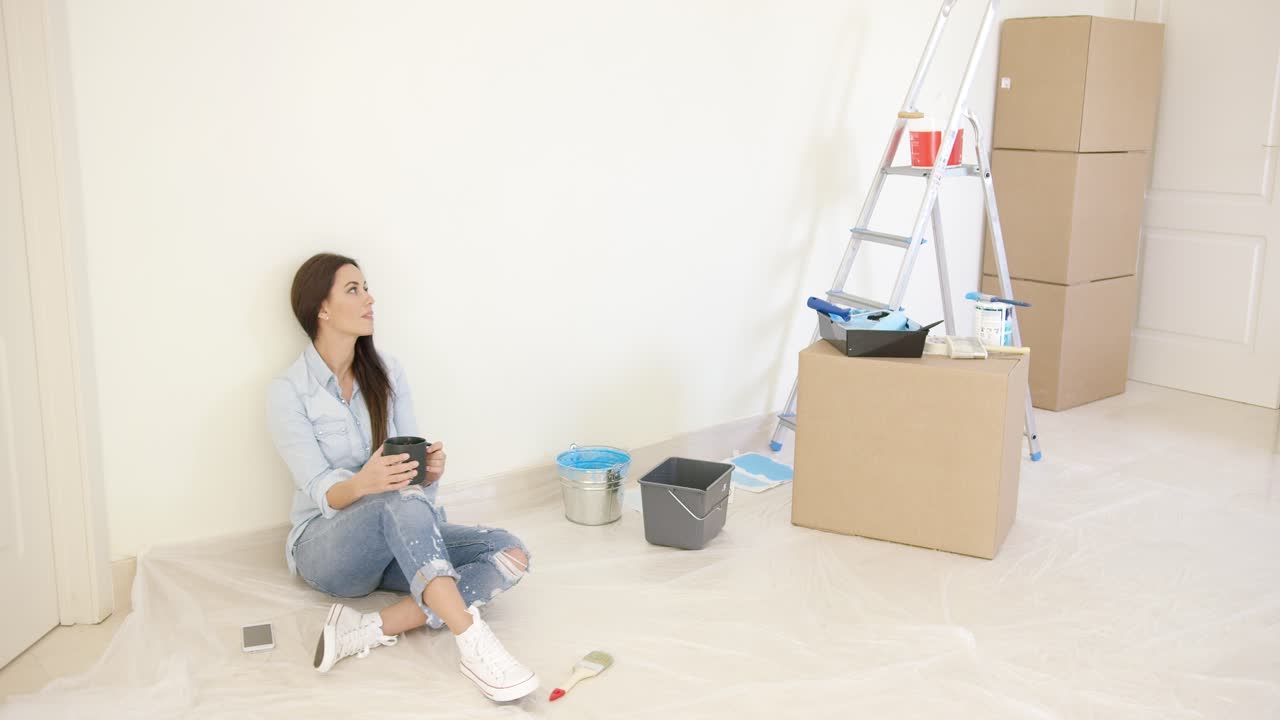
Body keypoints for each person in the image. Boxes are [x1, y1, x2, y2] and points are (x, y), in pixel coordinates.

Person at [267, 252, 539, 702]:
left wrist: (429, 472)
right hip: (328, 548)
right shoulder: (289, 392)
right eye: (354, 289)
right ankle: (473, 643)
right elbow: (322, 492)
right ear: (322, 308)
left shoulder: (387, 372)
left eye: (367, 287)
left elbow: (413, 485)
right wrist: (365, 483)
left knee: (509, 553)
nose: (370, 298)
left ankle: (370, 628)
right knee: (398, 498)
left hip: (398, 534)